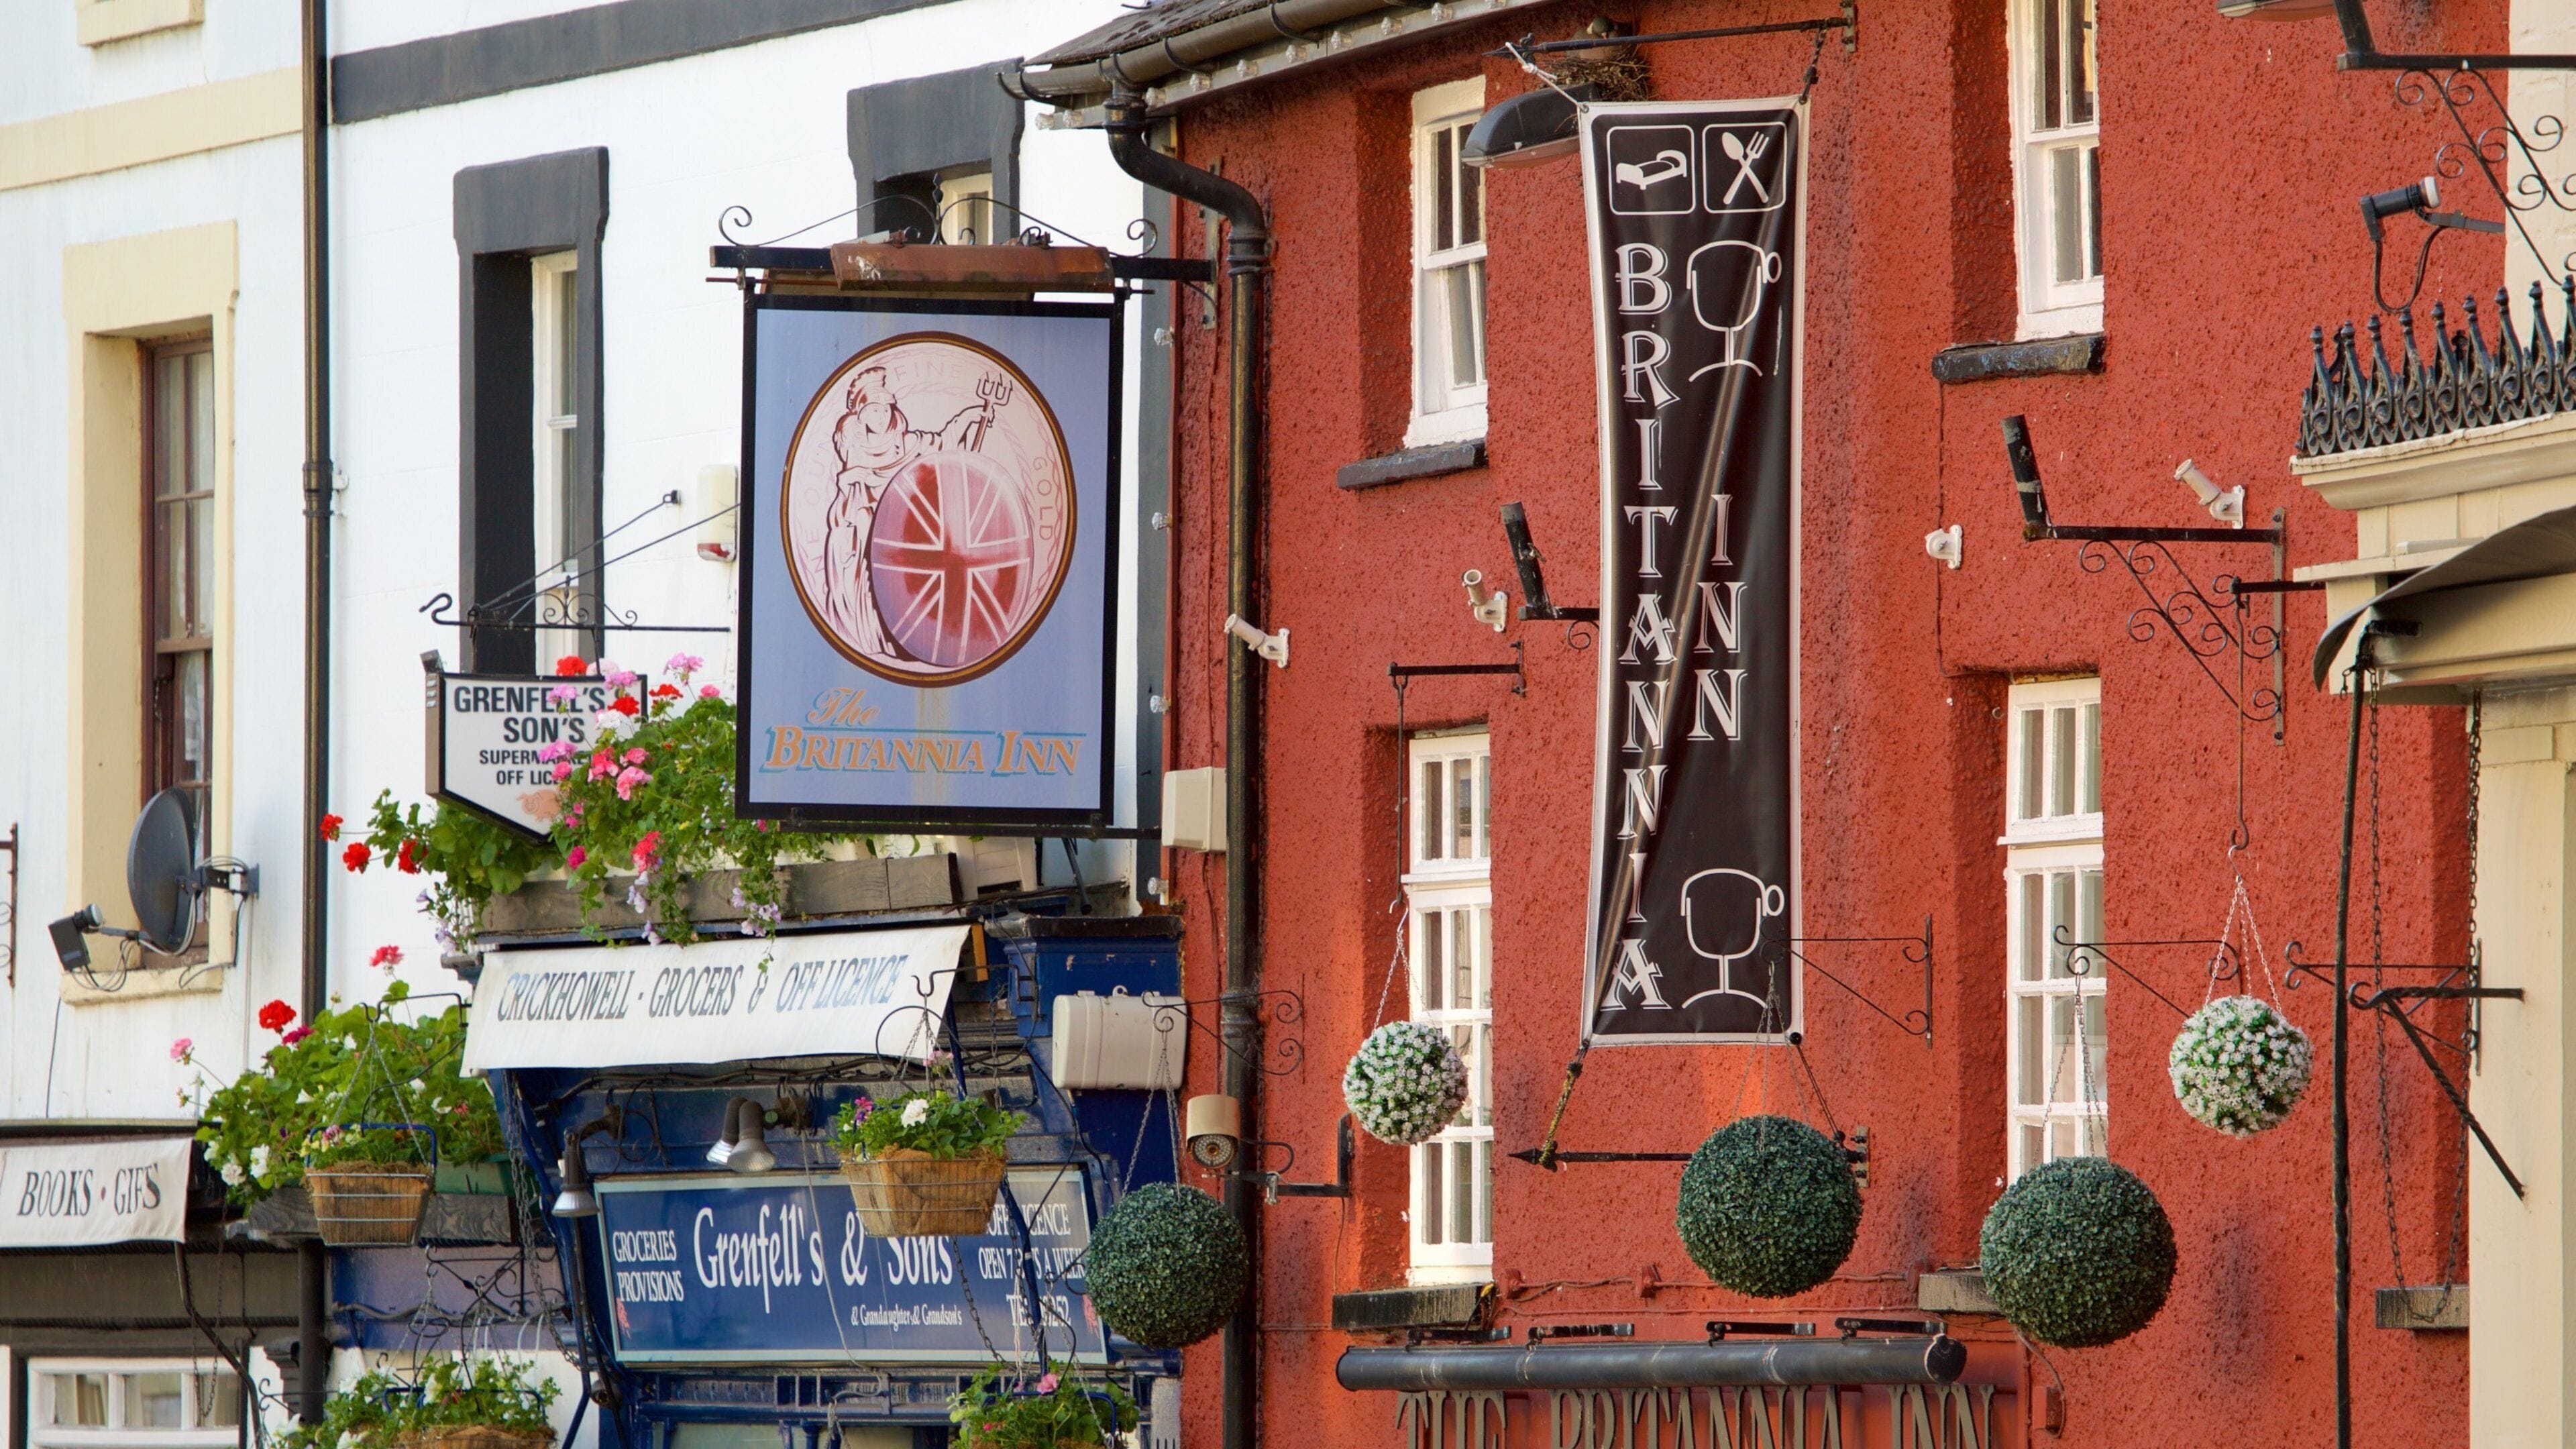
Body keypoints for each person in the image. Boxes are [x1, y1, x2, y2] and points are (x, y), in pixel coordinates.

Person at [820, 364, 993, 659]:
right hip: (868, 531)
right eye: (874, 410)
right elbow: (847, 492)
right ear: (860, 415)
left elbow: (941, 443)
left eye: (885, 408)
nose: (882, 415)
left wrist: (968, 417)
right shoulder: (855, 447)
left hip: (905, 532)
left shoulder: (906, 442)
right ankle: (871, 636)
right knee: (853, 537)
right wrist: (857, 478)